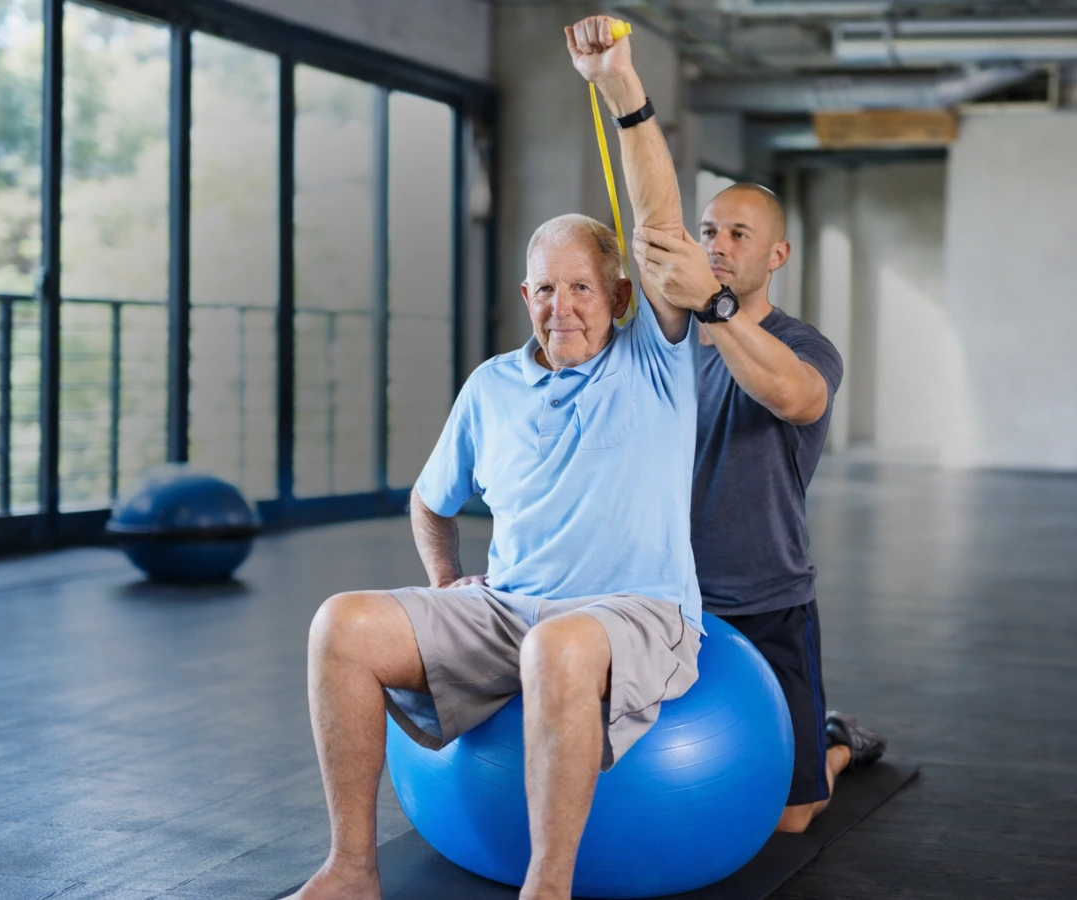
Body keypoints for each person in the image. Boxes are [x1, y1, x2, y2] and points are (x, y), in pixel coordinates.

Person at [291, 18, 700, 900]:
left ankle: (544, 890)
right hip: (511, 608)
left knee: (555, 647)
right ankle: (352, 869)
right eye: (545, 289)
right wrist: (446, 579)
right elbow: (430, 500)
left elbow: (661, 226)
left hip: (635, 612)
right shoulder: (492, 386)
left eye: (582, 286)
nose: (562, 307)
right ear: (525, 295)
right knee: (340, 626)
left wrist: (620, 86)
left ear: (621, 293)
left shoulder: (654, 360)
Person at [631, 183, 887, 835]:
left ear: (778, 254)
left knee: (794, 817)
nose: (718, 244)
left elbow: (793, 398)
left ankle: (838, 745)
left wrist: (714, 307)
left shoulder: (806, 346)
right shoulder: (670, 348)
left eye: (739, 234)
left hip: (765, 596)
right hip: (667, 597)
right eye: (710, 230)